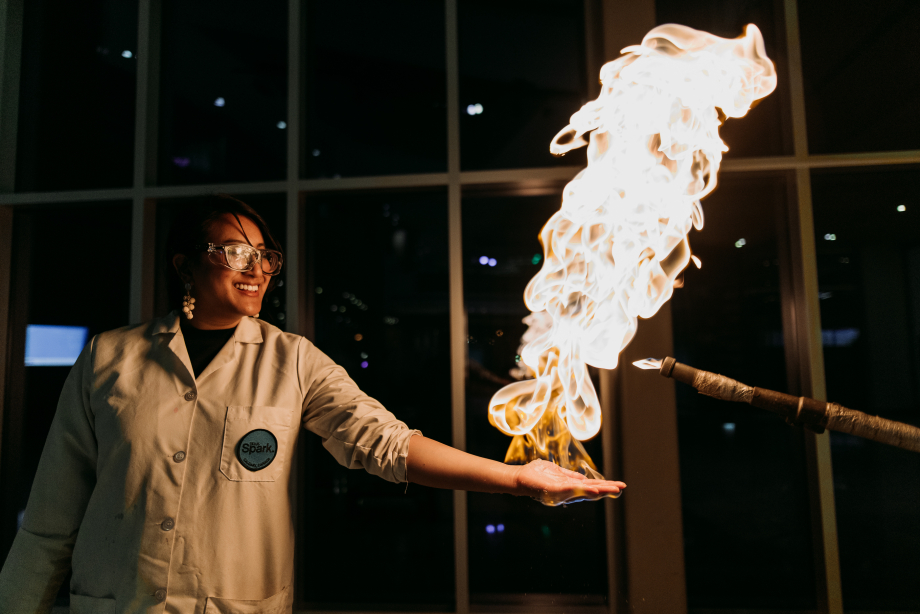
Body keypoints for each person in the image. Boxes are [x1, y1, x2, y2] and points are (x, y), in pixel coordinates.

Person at [0, 195, 625, 613]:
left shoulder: (293, 360)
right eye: (233, 251)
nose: (256, 267)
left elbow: (385, 443)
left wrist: (515, 479)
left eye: (265, 256)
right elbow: (53, 517)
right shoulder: (111, 358)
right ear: (185, 266)